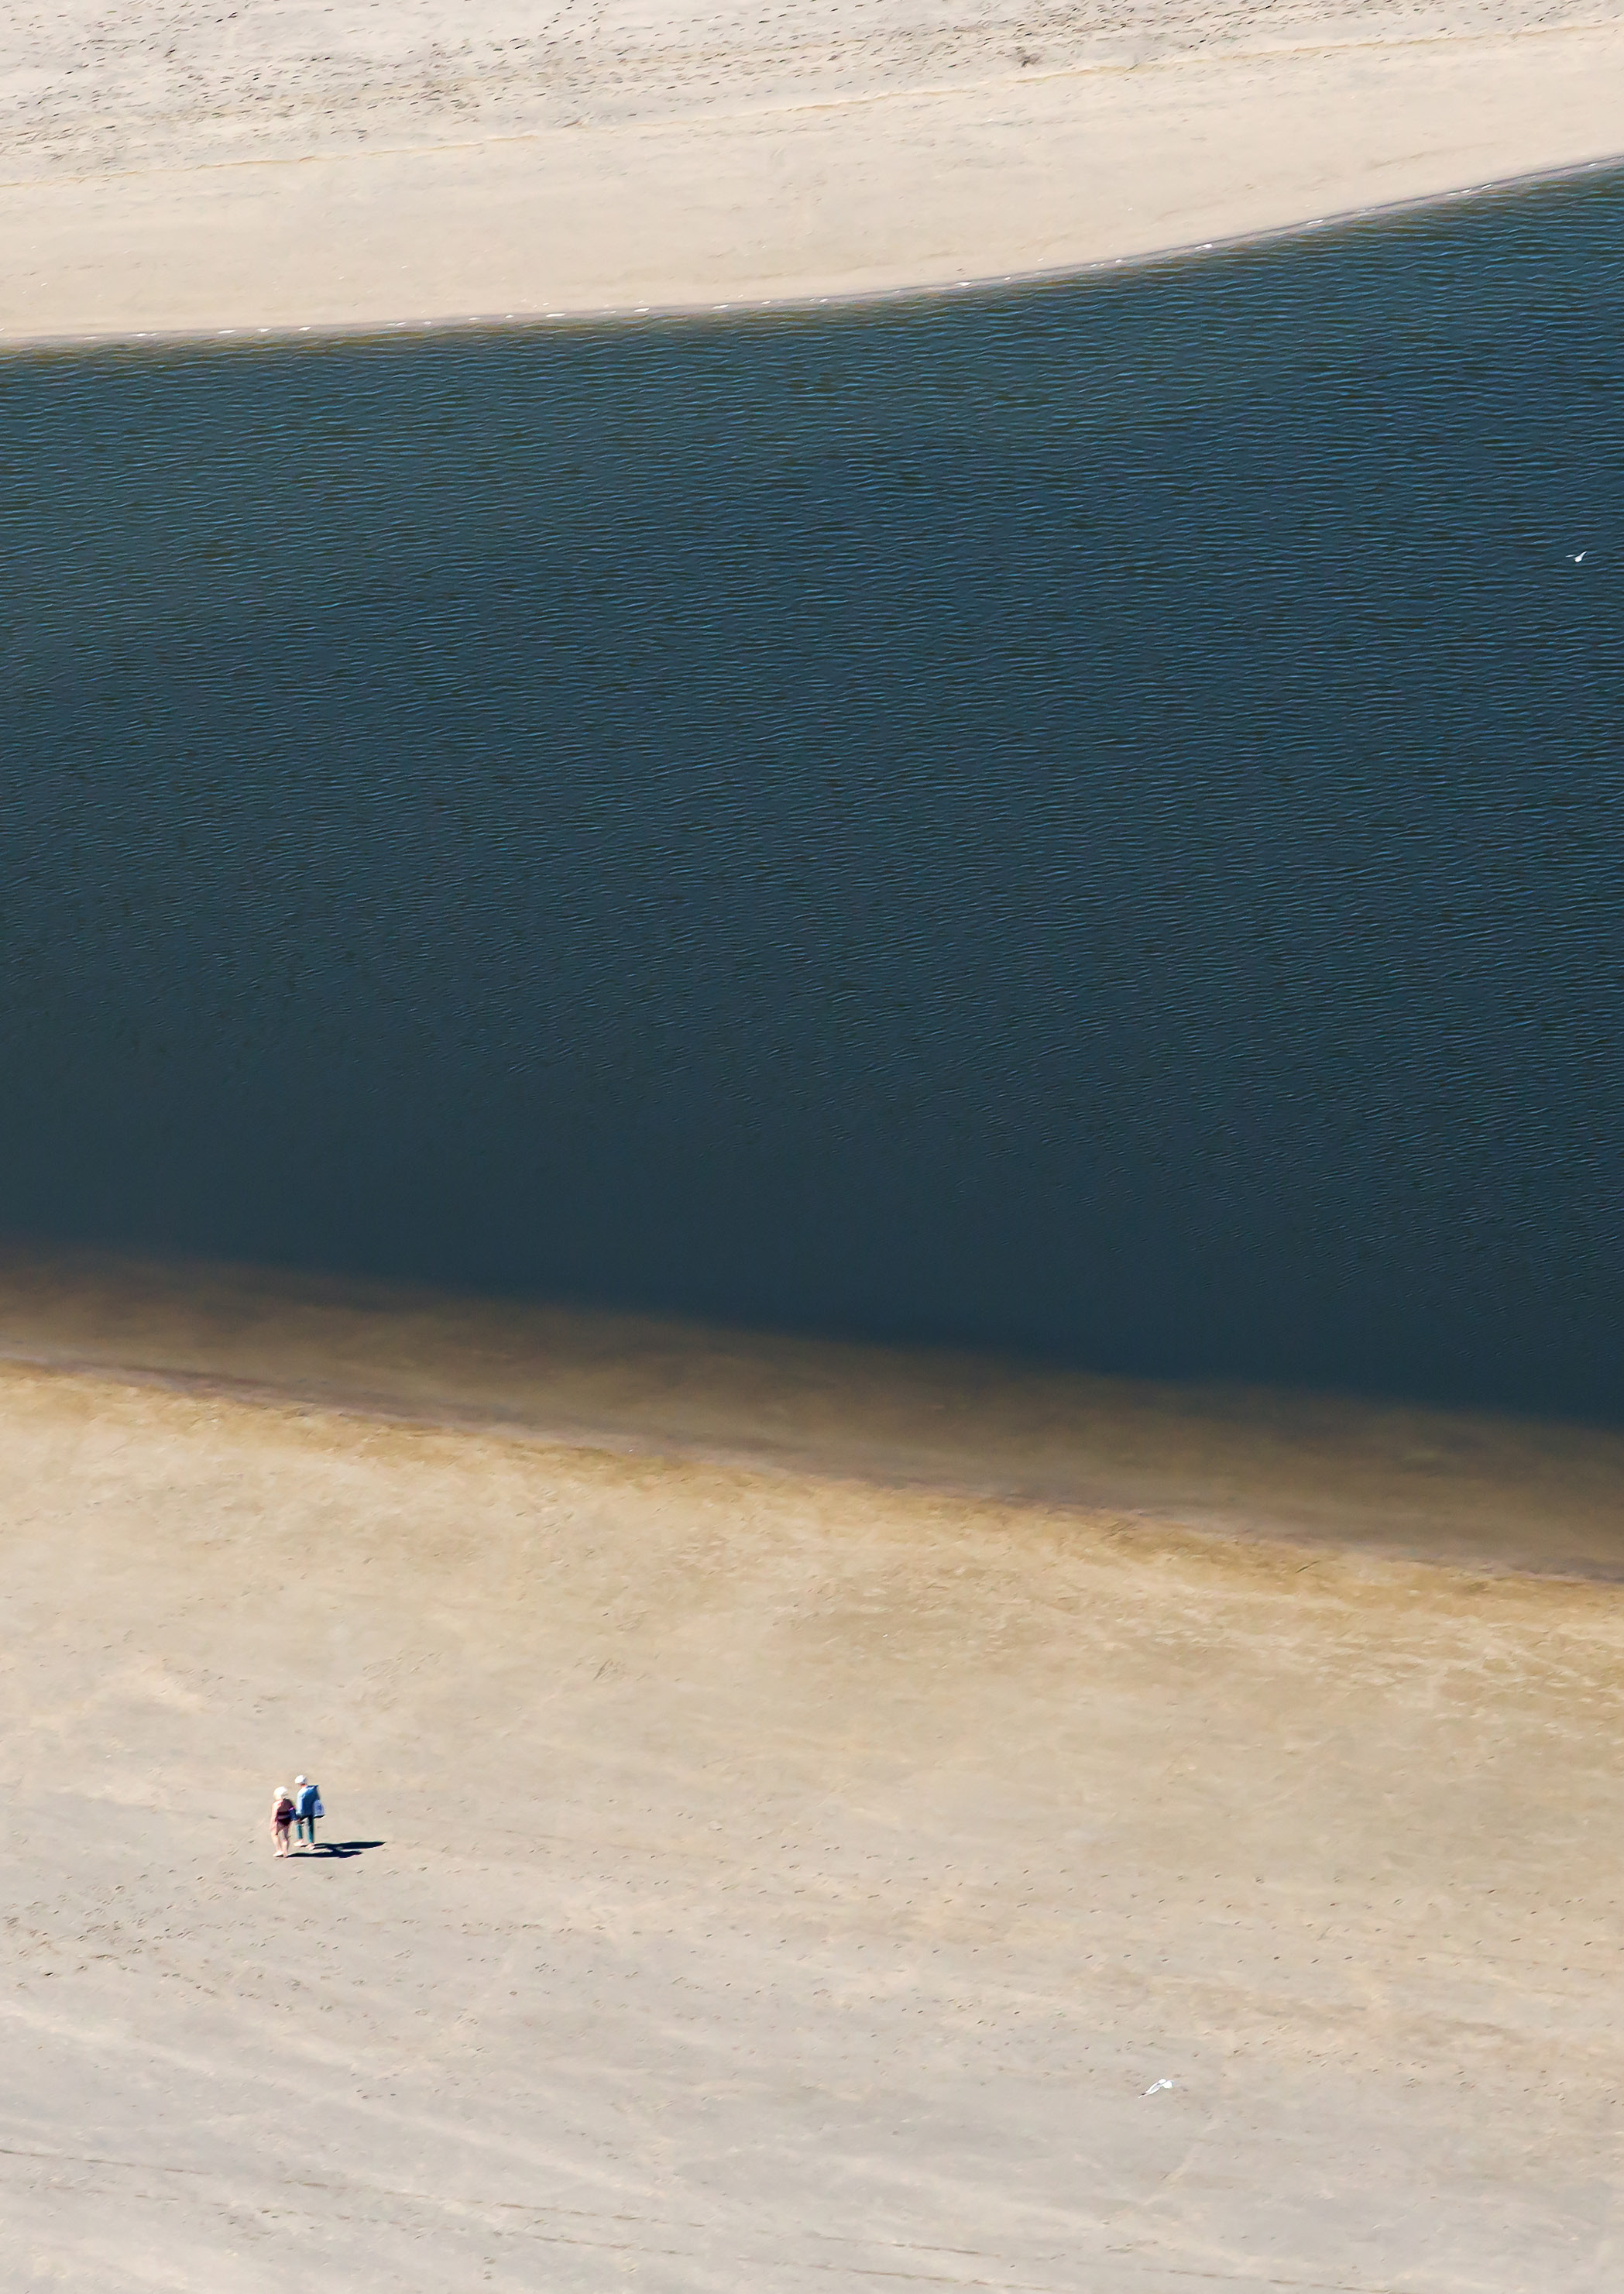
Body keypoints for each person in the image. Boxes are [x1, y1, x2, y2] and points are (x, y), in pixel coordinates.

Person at [292, 1776, 324, 1850]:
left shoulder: (301, 1793)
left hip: (303, 1812)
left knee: (298, 1823)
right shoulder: (313, 1789)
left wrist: (298, 1815)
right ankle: (311, 1843)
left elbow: (300, 1806)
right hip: (312, 1810)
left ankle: (300, 1840)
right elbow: (318, 1798)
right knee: (310, 1826)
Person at [272, 1787, 295, 1857]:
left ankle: (279, 1850)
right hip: (287, 1820)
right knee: (285, 1837)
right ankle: (286, 1852)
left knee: (274, 1834)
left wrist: (272, 1823)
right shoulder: (289, 1802)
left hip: (280, 1821)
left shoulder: (277, 1804)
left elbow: (274, 1815)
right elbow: (292, 1809)